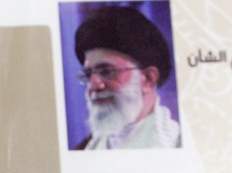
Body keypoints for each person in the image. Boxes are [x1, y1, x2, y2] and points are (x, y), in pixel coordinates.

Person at [72, 5, 181, 150]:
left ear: (148, 79)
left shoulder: (176, 144)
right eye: (88, 74)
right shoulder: (83, 150)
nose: (93, 86)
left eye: (106, 71)